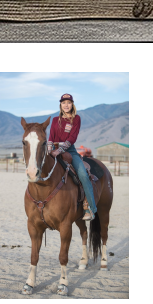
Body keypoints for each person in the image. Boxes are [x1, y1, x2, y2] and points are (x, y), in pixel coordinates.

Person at [48, 93, 97, 221]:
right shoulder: (55, 120)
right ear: (60, 105)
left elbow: (72, 137)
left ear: (72, 104)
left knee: (82, 174)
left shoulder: (76, 118)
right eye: (63, 103)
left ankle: (90, 208)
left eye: (68, 103)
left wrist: (60, 150)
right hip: (53, 149)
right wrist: (50, 149)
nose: (66, 105)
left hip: (69, 150)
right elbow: (51, 136)